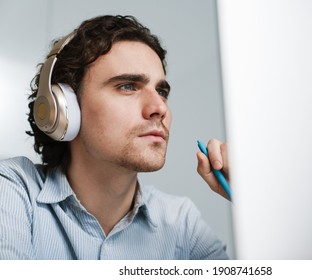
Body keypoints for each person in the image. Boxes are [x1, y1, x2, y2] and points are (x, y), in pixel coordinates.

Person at [0, 15, 230, 260]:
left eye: (161, 92)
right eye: (128, 86)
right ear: (65, 109)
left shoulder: (181, 223)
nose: (160, 108)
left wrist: (249, 198)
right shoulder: (15, 189)